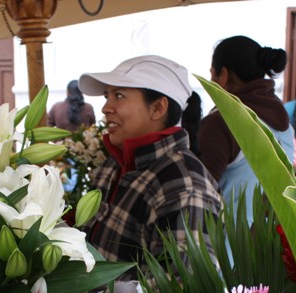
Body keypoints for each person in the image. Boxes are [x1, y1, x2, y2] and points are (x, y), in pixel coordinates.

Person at [77, 55, 221, 270]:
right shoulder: (114, 165)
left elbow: (180, 286)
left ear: (157, 108)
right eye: (107, 96)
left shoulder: (185, 186)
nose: (106, 108)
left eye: (118, 95)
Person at [197, 35, 295, 224]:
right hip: (268, 246)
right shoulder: (283, 123)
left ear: (223, 75)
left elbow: (198, 194)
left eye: (212, 74)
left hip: (223, 249)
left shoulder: (222, 122)